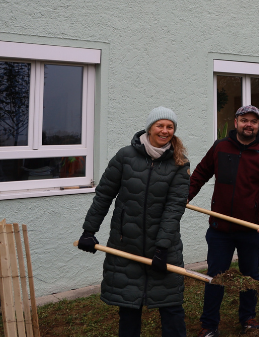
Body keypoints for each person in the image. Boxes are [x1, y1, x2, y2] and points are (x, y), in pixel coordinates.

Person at [78, 107, 190, 337]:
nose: (165, 130)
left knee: (171, 308)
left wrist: (162, 248)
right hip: (125, 245)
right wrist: (89, 231)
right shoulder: (125, 156)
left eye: (170, 127)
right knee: (129, 310)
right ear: (149, 127)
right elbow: (104, 194)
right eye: (160, 125)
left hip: (164, 248)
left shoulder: (179, 163)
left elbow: (174, 209)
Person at [189, 105, 259, 336]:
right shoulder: (220, 147)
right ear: (236, 122)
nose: (249, 124)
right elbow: (200, 173)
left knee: (250, 276)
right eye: (244, 120)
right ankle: (209, 325)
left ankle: (248, 318)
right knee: (215, 277)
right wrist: (183, 198)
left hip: (250, 229)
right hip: (220, 229)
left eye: (254, 121)